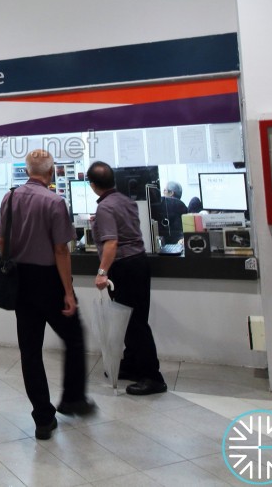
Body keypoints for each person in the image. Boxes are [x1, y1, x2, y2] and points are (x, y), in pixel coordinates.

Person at [0, 149, 94, 441]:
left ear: (27, 171)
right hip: (49, 280)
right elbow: (61, 250)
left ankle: (43, 418)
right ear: (51, 172)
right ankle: (72, 399)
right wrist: (68, 291)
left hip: (21, 281)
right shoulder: (54, 201)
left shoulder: (10, 198)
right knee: (74, 336)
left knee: (30, 351)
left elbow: (3, 239)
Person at [87, 161, 167, 395]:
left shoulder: (105, 208)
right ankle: (132, 365)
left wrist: (102, 272)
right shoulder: (125, 200)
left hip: (124, 267)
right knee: (131, 320)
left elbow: (112, 242)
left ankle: (153, 377)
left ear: (92, 185)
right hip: (138, 263)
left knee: (133, 323)